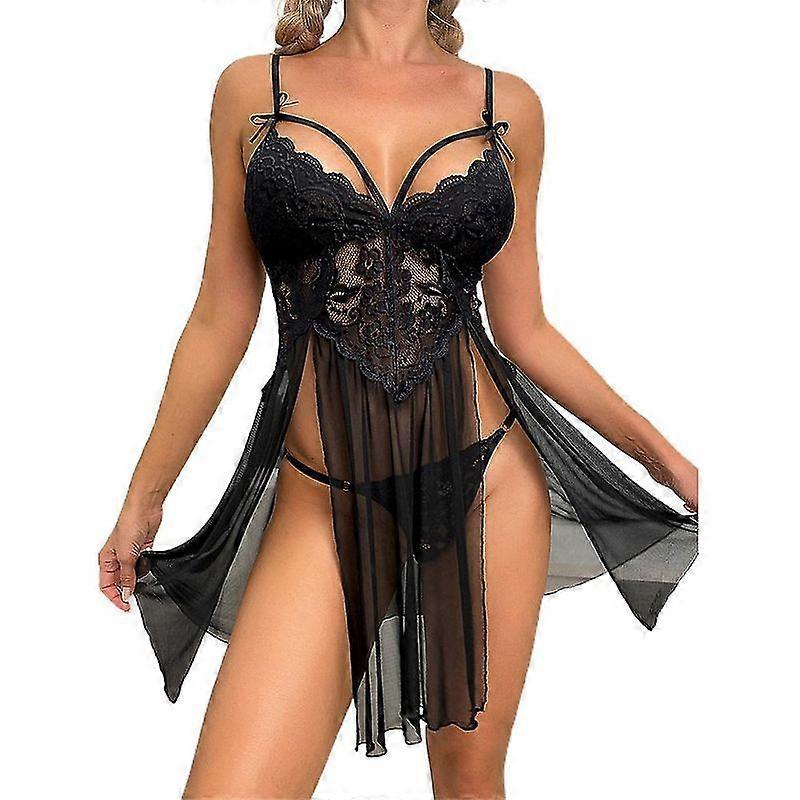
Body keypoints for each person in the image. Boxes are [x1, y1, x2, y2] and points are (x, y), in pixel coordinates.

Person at [98, 2, 699, 798]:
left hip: (484, 480)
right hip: (325, 496)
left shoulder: (505, 106)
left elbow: (525, 328)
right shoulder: (254, 90)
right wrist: (145, 497)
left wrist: (670, 462)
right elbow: (219, 317)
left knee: (469, 783)